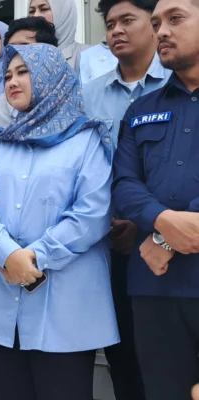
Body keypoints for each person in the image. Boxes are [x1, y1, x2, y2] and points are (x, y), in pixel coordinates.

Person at [0, 43, 119, 400]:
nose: (12, 82)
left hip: (66, 306)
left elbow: (92, 213)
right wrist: (7, 253)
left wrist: (32, 258)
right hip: (3, 305)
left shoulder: (88, 139)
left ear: (51, 76)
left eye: (23, 72)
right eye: (6, 76)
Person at [111, 0, 199, 398]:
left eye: (175, 19)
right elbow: (124, 183)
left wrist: (164, 238)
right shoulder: (142, 109)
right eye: (158, 22)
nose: (162, 30)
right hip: (155, 287)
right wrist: (163, 221)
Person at [83, 1, 168, 397]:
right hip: (108, 242)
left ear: (153, 25)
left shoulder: (179, 83)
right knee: (123, 356)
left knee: (171, 358)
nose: (116, 29)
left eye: (127, 20)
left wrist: (148, 222)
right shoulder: (88, 95)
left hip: (171, 243)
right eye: (110, 22)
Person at [0, 17, 59, 127]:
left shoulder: (68, 107)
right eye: (11, 49)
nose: (16, 53)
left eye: (24, 46)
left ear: (48, 54)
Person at [29, 0, 91, 74]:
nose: (35, 16)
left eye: (44, 9)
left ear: (64, 12)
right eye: (31, 11)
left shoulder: (89, 55)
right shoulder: (24, 56)